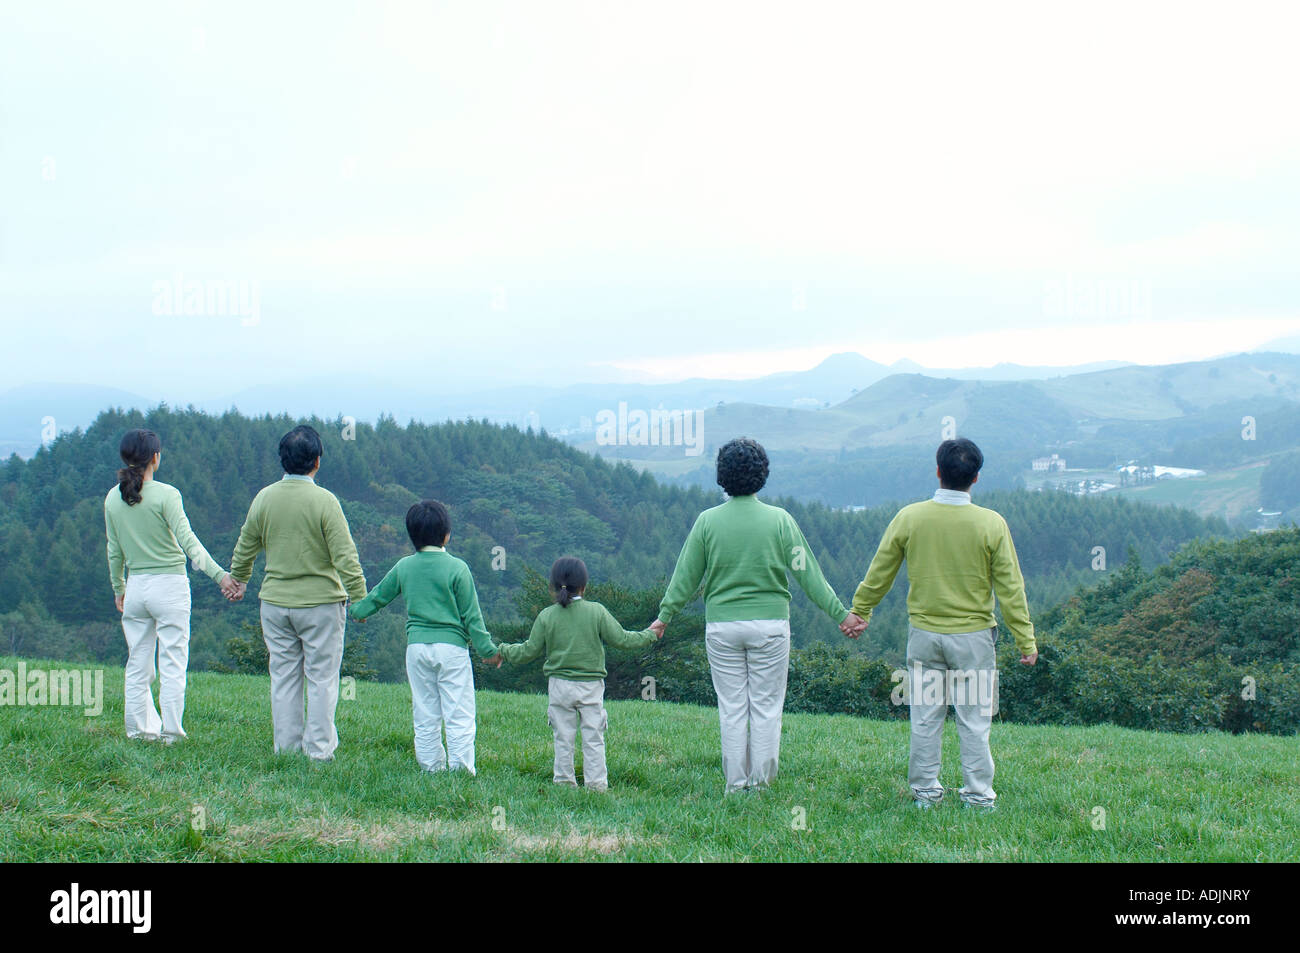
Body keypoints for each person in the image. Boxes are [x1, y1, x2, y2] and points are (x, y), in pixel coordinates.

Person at [651, 437, 862, 794]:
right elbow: (808, 574)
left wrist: (664, 617)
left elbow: (685, 577)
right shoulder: (780, 521)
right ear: (762, 474)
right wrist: (841, 614)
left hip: (721, 627)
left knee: (732, 708)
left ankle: (735, 786)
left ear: (722, 477)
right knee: (765, 708)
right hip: (770, 627)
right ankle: (761, 787)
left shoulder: (707, 522)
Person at [845, 437, 1037, 811]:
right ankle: (979, 797)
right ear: (976, 478)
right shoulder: (991, 524)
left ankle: (926, 794)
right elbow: (1011, 588)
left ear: (938, 472)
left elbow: (880, 571)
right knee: (975, 722)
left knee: (925, 720)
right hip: (974, 639)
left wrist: (860, 610)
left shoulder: (910, 517)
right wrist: (1025, 640)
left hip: (925, 636)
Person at [228, 425, 367, 762]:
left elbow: (247, 544)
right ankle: (318, 753)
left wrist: (239, 579)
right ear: (317, 462)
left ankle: (286, 751)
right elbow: (344, 556)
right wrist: (360, 596)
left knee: (284, 677)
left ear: (282, 461)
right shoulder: (325, 501)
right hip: (320, 604)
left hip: (274, 603)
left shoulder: (264, 497)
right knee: (321, 678)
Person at [104, 428, 240, 742]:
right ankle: (172, 732)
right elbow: (189, 543)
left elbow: (114, 550)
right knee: (173, 661)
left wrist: (118, 588)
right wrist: (222, 576)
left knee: (138, 663)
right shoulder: (167, 495)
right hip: (170, 587)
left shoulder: (113, 498)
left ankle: (139, 730)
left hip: (136, 586)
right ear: (155, 457)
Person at [349, 500, 497, 774]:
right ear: (446, 534)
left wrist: (358, 610)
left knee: (426, 712)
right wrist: (488, 651)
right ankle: (461, 770)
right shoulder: (457, 568)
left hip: (417, 648)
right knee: (458, 712)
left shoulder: (405, 566)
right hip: (452, 649)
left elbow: (379, 596)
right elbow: (472, 618)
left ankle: (430, 768)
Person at [495, 556, 661, 791]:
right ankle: (596, 786)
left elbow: (527, 651)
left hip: (559, 686)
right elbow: (623, 639)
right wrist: (651, 634)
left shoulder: (546, 616)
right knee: (593, 737)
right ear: (584, 585)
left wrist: (501, 651)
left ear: (552, 586)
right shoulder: (597, 612)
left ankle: (564, 783)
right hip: (591, 685)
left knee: (563, 737)